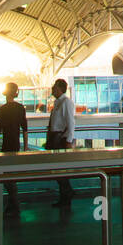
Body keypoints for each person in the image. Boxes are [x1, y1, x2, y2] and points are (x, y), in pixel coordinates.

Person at [0, 83, 28, 215]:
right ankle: (13, 204)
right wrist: (26, 147)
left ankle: (14, 204)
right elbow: (25, 128)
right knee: (11, 176)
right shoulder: (20, 108)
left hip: (6, 146)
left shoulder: (3, 109)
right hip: (16, 146)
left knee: (6, 176)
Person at [45, 78, 75, 206]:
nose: (53, 89)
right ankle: (66, 194)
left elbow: (71, 122)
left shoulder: (66, 102)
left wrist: (68, 140)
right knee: (57, 169)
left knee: (60, 169)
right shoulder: (58, 102)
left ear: (61, 89)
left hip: (60, 139)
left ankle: (67, 194)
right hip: (54, 137)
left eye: (55, 87)